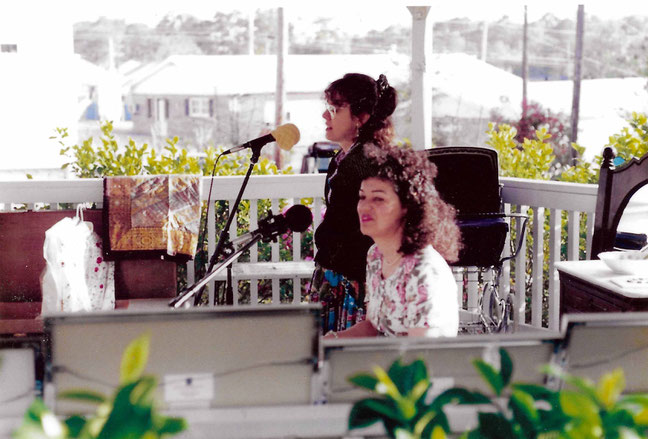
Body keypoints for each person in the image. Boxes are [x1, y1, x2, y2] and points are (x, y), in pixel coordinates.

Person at [326, 145, 461, 338]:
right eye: (362, 197)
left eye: (378, 199)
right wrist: (329, 341)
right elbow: (372, 326)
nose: (364, 207)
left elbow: (421, 355)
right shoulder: (376, 255)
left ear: (408, 206)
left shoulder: (424, 270)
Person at [308, 73, 398, 334]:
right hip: (337, 273)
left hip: (353, 277)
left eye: (335, 110)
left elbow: (359, 228)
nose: (326, 116)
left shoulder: (366, 161)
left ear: (362, 117)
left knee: (343, 353)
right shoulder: (345, 157)